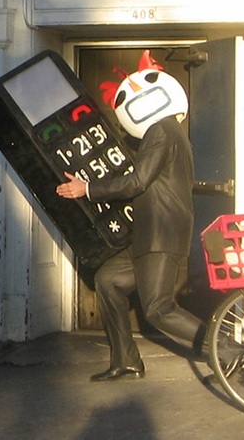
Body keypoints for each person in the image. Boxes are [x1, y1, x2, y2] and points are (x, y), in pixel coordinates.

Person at [55, 50, 205, 382]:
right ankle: (126, 360)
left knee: (157, 308)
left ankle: (224, 352)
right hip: (149, 232)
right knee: (108, 280)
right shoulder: (169, 131)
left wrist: (88, 188)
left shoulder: (160, 131)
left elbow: (138, 181)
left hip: (159, 233)